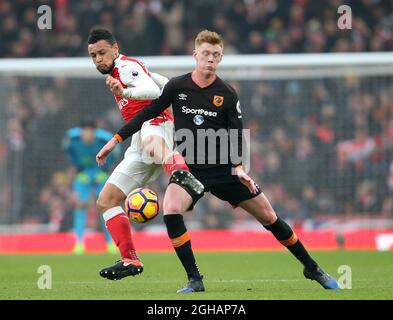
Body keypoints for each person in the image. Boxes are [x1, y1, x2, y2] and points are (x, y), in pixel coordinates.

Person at [96, 30, 341, 292]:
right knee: (171, 209)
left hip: (224, 169)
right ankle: (194, 279)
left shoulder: (227, 93)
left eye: (215, 55)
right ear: (195, 55)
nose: (210, 59)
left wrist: (238, 168)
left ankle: (312, 267)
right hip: (191, 169)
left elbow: (236, 133)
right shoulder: (177, 87)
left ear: (220, 58)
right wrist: (116, 140)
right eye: (205, 54)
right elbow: (148, 112)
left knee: (269, 216)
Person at [87, 28, 204, 279]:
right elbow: (159, 81)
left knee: (153, 143)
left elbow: (151, 90)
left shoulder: (125, 67)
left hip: (156, 122)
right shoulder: (126, 69)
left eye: (102, 52)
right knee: (106, 201)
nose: (98, 59)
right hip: (137, 141)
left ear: (115, 49)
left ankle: (184, 176)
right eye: (93, 55)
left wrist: (124, 92)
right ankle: (130, 259)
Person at [63, 120, 121, 254]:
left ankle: (111, 242)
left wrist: (105, 171)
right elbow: (69, 153)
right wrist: (78, 172)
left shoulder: (104, 140)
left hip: (100, 175)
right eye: (84, 132)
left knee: (106, 207)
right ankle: (79, 243)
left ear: (94, 133)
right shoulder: (73, 140)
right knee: (81, 205)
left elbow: (115, 152)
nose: (87, 135)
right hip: (83, 176)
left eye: (90, 132)